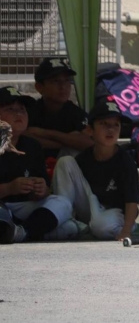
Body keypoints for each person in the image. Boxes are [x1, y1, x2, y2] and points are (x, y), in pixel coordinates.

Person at [0, 86, 80, 244]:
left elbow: (45, 191)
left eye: (22, 109)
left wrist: (41, 190)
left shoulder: (32, 145)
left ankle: (22, 232)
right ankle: (30, 231)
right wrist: (9, 188)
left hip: (23, 208)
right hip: (2, 207)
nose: (18, 114)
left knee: (62, 203)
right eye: (10, 109)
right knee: (69, 228)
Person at [51, 100, 139, 241]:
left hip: (114, 213)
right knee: (65, 161)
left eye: (116, 125)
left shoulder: (126, 162)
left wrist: (126, 231)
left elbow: (132, 201)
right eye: (104, 124)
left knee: (101, 227)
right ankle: (66, 219)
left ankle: (109, 228)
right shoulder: (85, 157)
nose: (110, 129)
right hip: (90, 208)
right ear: (90, 130)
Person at [26, 57, 93, 164]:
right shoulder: (30, 111)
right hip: (35, 168)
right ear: (39, 87)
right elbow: (24, 138)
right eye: (55, 81)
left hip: (66, 170)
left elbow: (90, 143)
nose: (63, 86)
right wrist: (70, 140)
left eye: (67, 80)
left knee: (72, 153)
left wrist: (45, 133)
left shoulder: (75, 113)